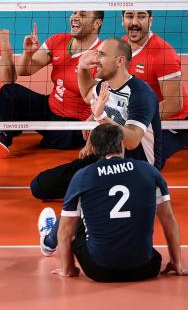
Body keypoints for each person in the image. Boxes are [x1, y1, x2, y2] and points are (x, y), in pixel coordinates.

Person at [36, 124, 188, 282]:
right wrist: (177, 264)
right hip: (147, 269)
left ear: (93, 148)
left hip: (99, 271)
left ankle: (48, 242)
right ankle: (172, 262)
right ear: (122, 144)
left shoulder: (83, 176)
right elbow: (168, 219)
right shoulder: (148, 170)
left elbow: (65, 230)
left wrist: (68, 269)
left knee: (74, 217)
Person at [29, 38, 163, 200]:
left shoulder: (140, 93)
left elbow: (132, 140)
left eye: (102, 55)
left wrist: (100, 116)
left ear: (120, 61)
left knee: (95, 200)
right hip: (107, 157)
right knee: (41, 185)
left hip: (137, 167)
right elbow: (87, 94)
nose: (96, 60)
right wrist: (82, 68)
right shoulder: (103, 85)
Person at [0, 11, 104, 158]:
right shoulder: (59, 40)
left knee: (60, 139)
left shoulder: (100, 56)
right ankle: (2, 135)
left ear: (96, 24)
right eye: (74, 13)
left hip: (74, 122)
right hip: (50, 107)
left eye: (82, 15)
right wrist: (27, 54)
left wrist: (93, 121)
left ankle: (1, 126)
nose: (75, 17)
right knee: (10, 91)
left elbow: (101, 98)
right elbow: (23, 71)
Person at [122, 0, 188, 160]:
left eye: (142, 16)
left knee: (138, 158)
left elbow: (174, 104)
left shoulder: (163, 54)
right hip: (141, 114)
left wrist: (135, 121)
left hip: (175, 121)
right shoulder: (120, 47)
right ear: (122, 20)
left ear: (150, 20)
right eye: (130, 16)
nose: (135, 22)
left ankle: (185, 136)